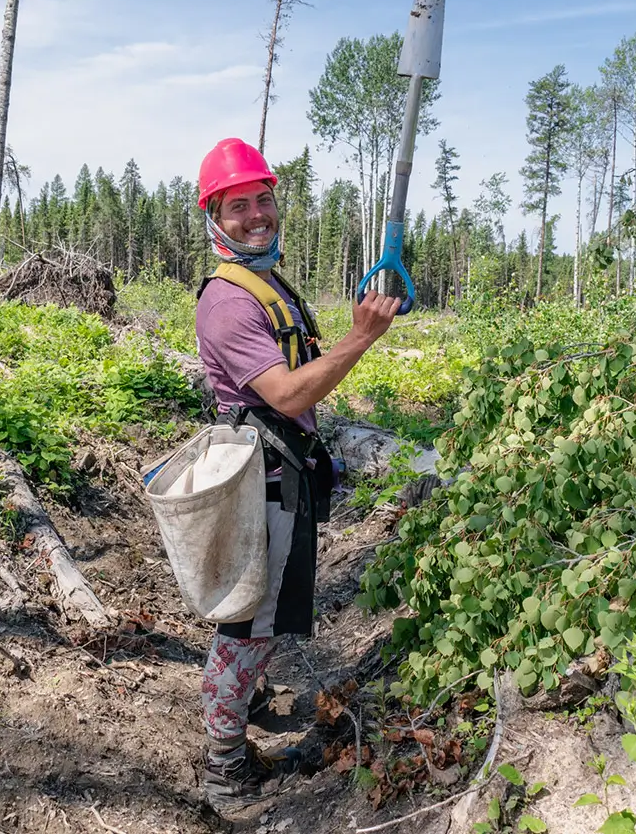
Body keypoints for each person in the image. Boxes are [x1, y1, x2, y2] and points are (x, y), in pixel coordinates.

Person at [192, 137, 400, 810]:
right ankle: (224, 771)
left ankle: (244, 701)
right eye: (238, 205)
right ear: (213, 218)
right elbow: (286, 395)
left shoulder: (265, 281)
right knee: (245, 627)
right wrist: (361, 337)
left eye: (262, 199)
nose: (256, 213)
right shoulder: (228, 301)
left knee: (254, 618)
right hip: (260, 480)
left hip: (280, 470)